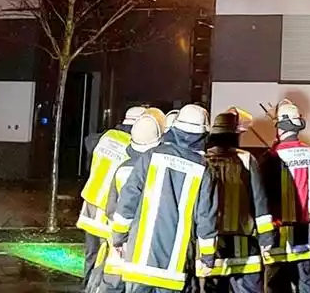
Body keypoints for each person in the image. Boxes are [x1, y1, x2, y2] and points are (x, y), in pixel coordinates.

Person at [111, 104, 219, 293]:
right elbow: (206, 218)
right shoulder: (205, 169)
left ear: (175, 129)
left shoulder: (151, 156)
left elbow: (128, 199)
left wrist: (119, 237)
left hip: (138, 261)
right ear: (203, 136)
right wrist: (208, 258)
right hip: (173, 267)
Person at [198, 110, 276, 293]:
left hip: (213, 246)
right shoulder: (247, 159)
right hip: (244, 247)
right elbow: (260, 204)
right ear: (235, 135)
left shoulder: (202, 160)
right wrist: (266, 241)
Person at [92, 113, 165, 293]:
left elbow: (112, 209)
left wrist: (117, 239)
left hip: (122, 244)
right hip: (153, 249)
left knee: (112, 284)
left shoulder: (122, 168)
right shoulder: (162, 169)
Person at [262, 100, 310, 293]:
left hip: (279, 234)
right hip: (306, 232)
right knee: (306, 282)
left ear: (279, 127)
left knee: (278, 284)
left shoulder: (274, 156)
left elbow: (263, 194)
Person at [79, 106, 147, 281]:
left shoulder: (107, 136)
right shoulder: (135, 147)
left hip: (91, 206)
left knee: (91, 256)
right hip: (110, 210)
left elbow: (89, 142)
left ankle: (87, 286)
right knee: (109, 260)